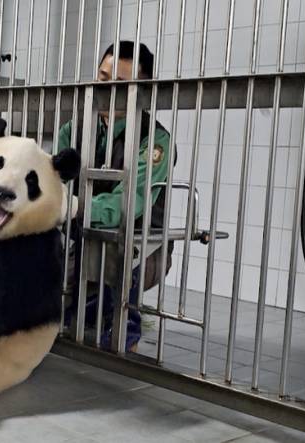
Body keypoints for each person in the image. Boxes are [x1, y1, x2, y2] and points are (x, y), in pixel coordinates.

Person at [59, 41, 175, 352]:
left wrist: (74, 206)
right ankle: (90, 312)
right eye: (103, 78)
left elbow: (131, 201)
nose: (108, 90)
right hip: (85, 238)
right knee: (60, 299)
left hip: (141, 246)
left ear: (143, 89)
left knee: (118, 273)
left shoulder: (154, 138)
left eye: (121, 84)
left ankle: (126, 332)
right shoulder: (76, 128)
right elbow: (54, 178)